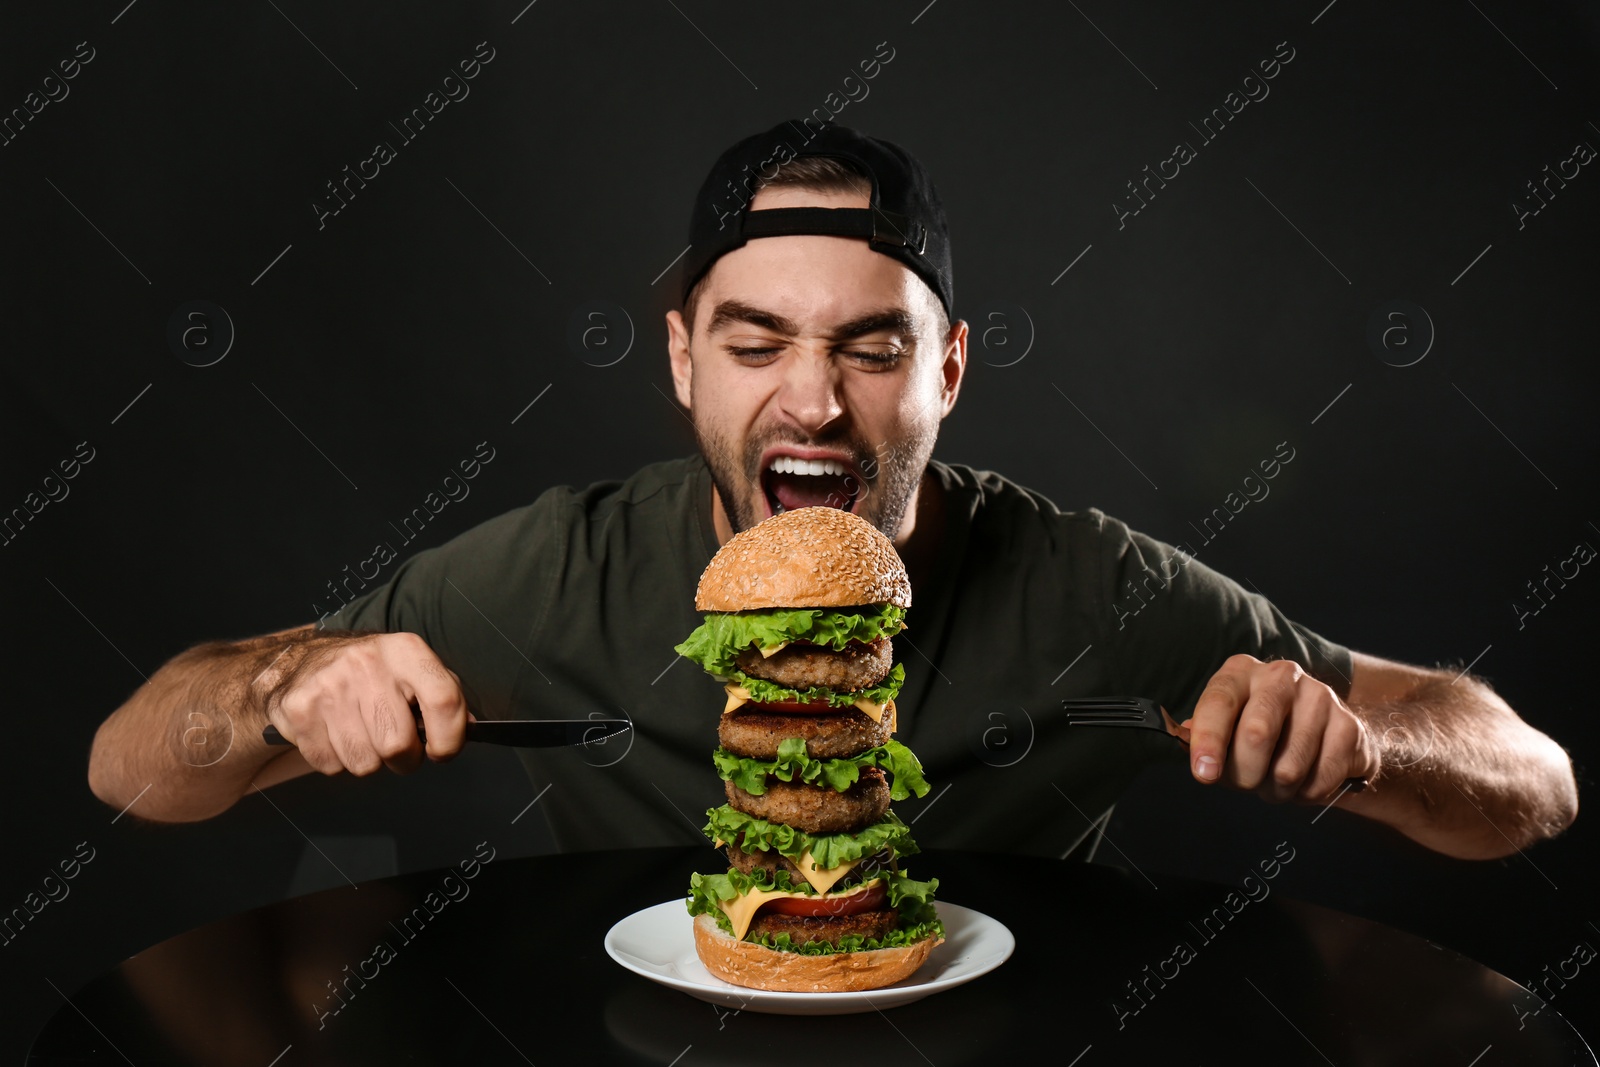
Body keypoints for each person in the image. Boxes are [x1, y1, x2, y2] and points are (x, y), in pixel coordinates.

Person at [87, 120, 1577, 862]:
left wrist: (1366, 749)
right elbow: (132, 773)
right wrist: (292, 684)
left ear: (951, 373)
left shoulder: (1093, 586)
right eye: (755, 344)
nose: (811, 399)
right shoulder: (554, 576)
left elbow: (1537, 783)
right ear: (682, 362)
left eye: (875, 347)